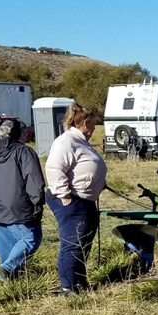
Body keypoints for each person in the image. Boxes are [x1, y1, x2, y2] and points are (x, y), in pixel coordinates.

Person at [0, 119, 45, 281]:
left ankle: (9, 285)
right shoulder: (24, 152)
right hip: (17, 211)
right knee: (30, 239)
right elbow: (34, 182)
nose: (26, 136)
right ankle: (7, 270)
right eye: (25, 133)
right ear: (18, 134)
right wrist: (37, 204)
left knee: (9, 254)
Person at [45, 104, 107, 295]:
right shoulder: (66, 142)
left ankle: (79, 281)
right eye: (94, 122)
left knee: (84, 243)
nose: (96, 127)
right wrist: (64, 196)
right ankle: (67, 286)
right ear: (85, 122)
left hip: (84, 200)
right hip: (71, 200)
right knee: (73, 243)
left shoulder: (81, 141)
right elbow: (54, 169)